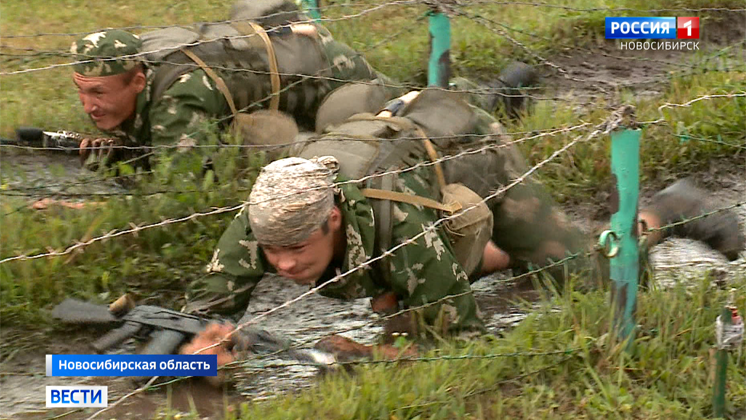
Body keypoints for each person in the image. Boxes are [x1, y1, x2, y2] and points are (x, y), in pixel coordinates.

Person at [179, 85, 744, 365]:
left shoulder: (398, 223)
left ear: (332, 218)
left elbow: (458, 339)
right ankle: (490, 258)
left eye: (296, 249)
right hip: (399, 174)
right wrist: (199, 345)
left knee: (587, 277)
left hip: (470, 152)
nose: (281, 265)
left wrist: (373, 352)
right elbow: (200, 316)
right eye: (270, 251)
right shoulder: (268, 217)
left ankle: (666, 210)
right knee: (402, 292)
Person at [69, 0, 393, 173]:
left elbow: (180, 186)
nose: (87, 106)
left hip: (333, 74)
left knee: (359, 142)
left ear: (138, 81)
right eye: (81, 91)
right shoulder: (140, 63)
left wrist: (113, 165)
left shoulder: (177, 99)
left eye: (98, 92)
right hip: (298, 60)